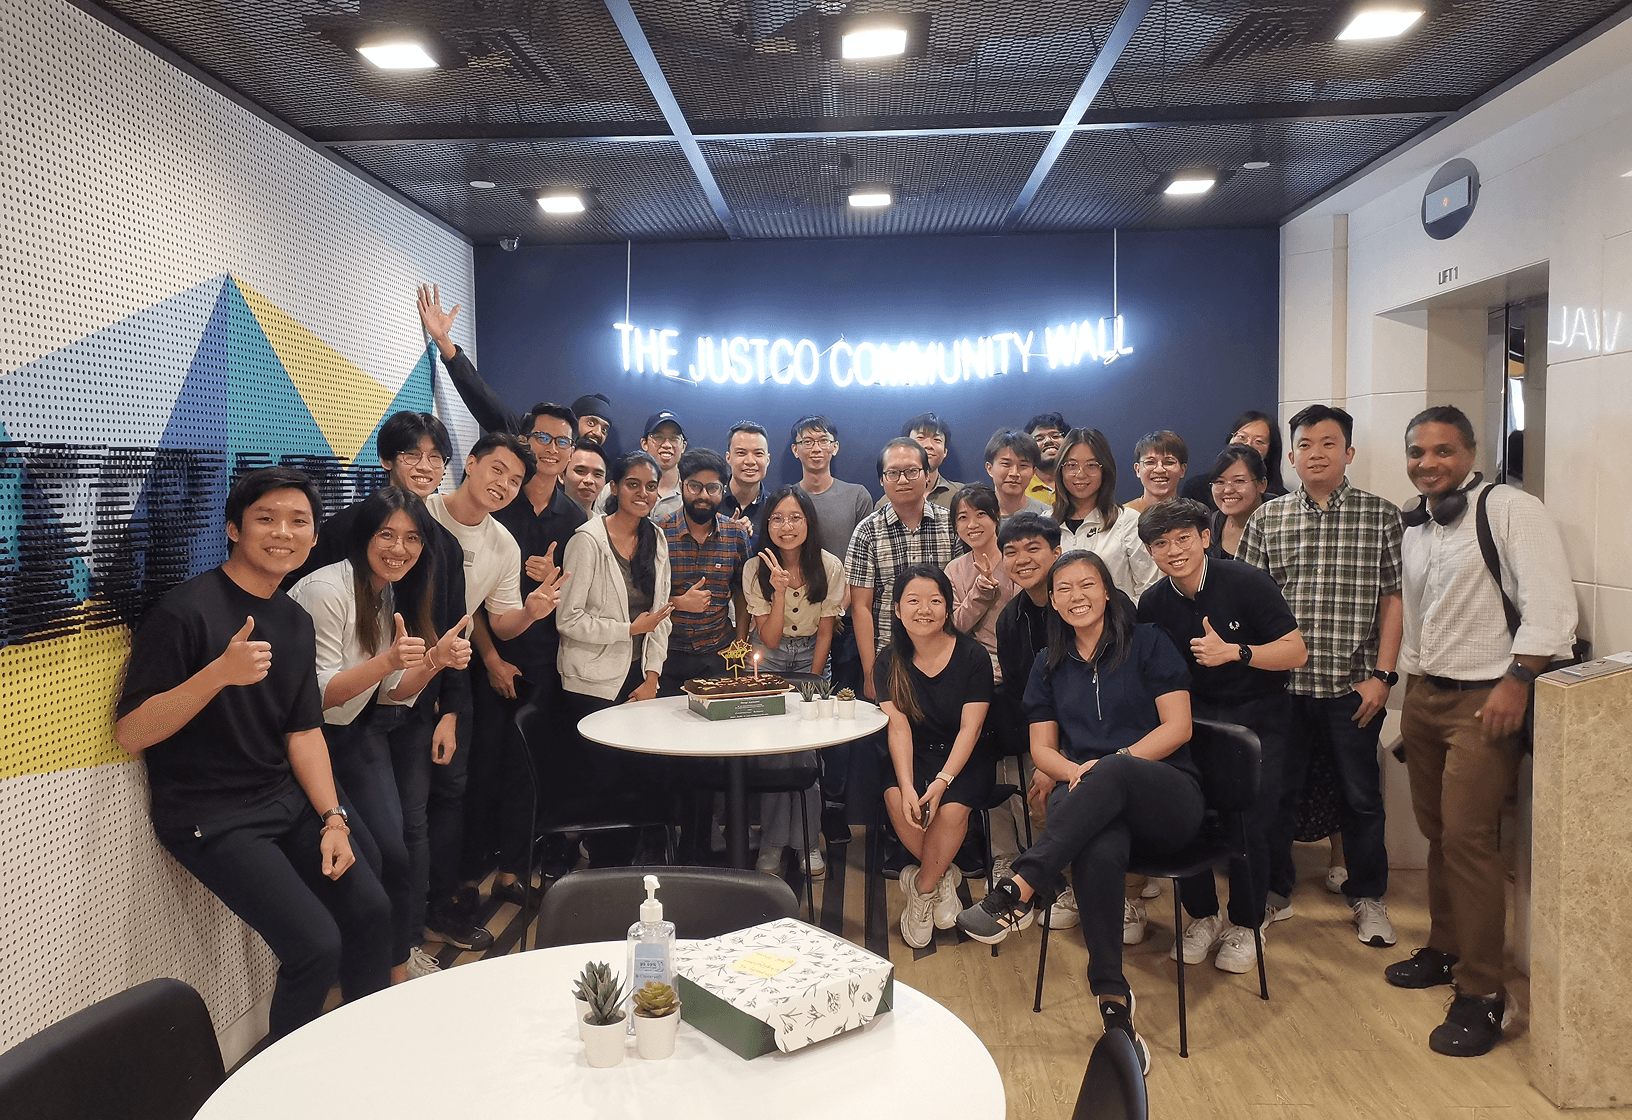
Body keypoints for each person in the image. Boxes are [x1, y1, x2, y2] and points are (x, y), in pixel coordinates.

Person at [115, 467, 391, 1041]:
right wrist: (217, 674)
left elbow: (303, 733)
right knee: (315, 947)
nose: (282, 533)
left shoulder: (293, 618)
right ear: (233, 528)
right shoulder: (184, 611)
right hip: (209, 816)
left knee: (370, 909)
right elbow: (133, 732)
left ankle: (370, 1047)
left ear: (315, 539)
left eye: (299, 522)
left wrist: (332, 818)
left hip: (281, 798)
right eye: (266, 519)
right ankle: (285, 1086)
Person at [956, 550, 1200, 1076]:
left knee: (1108, 773)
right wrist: (1075, 772)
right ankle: (1114, 1005)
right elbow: (1042, 750)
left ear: (1107, 591)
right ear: (1054, 601)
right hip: (1085, 792)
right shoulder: (1049, 664)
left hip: (1165, 793)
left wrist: (1108, 765)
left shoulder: (1149, 642)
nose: (1075, 597)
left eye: (1086, 585)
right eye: (1063, 589)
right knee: (1098, 844)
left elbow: (1177, 727)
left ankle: (1023, 884)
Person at [1389, 406, 1576, 1057]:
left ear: (1471, 451)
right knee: (1438, 832)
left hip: (1486, 699)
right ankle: (1445, 948)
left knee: (1470, 838)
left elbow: (1553, 603)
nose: (1428, 463)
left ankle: (1483, 991)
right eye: (1418, 452)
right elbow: (1420, 616)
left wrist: (1519, 680)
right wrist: (1406, 698)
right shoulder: (1416, 525)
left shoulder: (1509, 510)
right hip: (1425, 695)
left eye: (1443, 451)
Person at [282, 410, 472, 972]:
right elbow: (319, 698)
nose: (399, 548)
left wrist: (434, 663)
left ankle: (391, 965)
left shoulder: (387, 592)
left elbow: (391, 693)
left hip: (362, 729)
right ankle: (360, 970)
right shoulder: (328, 589)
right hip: (313, 739)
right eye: (387, 536)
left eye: (411, 540)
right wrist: (391, 660)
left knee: (394, 849)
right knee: (368, 855)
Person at [1237, 404, 1404, 948]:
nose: (1316, 454)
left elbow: (1392, 602)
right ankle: (1273, 894)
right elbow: (1252, 607)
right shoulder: (1269, 518)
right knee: (1276, 795)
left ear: (1348, 452)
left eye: (1328, 444)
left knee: (1360, 798)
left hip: (1351, 688)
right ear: (1290, 456)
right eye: (1305, 445)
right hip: (1281, 692)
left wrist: (1383, 675)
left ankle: (1368, 896)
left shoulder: (1382, 516)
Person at [1135, 499, 1307, 973]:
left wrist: (1237, 652)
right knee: (1187, 815)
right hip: (1192, 722)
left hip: (1257, 717)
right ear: (1150, 552)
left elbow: (1296, 652)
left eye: (1183, 538)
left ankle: (1248, 924)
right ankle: (1203, 917)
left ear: (1205, 537)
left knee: (1250, 822)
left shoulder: (1247, 581)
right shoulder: (1152, 603)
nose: (1174, 550)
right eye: (1161, 543)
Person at [423, 432, 565, 945]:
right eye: (497, 470)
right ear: (471, 464)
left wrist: (529, 610)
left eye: (515, 479)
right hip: (391, 668)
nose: (504, 484)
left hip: (451, 675)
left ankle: (441, 904)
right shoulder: (420, 515)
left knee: (451, 791)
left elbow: (500, 621)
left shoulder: (502, 543)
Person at [468, 402, 586, 904]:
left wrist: (557, 581)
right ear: (526, 438)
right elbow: (467, 594)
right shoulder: (495, 506)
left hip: (547, 663)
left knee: (528, 768)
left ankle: (514, 871)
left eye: (562, 441)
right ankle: (468, 874)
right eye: (542, 438)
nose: (551, 449)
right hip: (485, 656)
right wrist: (492, 658)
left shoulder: (576, 517)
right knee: (478, 768)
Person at [556, 452, 674, 864]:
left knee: (640, 781)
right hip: (592, 685)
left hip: (640, 681)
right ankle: (603, 878)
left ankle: (633, 875)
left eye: (651, 486)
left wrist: (654, 676)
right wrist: (628, 630)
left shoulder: (656, 539)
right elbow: (568, 620)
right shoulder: (587, 541)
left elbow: (661, 616)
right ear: (615, 488)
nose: (643, 493)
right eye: (633, 484)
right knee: (602, 785)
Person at [877, 564, 995, 948]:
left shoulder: (973, 656)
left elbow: (970, 729)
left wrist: (943, 781)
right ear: (897, 609)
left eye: (934, 600)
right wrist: (909, 784)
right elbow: (899, 728)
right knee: (898, 798)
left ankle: (922, 889)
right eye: (912, 600)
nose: (923, 609)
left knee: (951, 811)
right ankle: (943, 876)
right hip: (912, 752)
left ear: (948, 607)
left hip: (963, 755)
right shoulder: (887, 660)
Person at [794, 414, 890, 832]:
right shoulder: (786, 499)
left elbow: (863, 559)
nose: (815, 447)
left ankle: (835, 806)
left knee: (842, 714)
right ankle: (801, 807)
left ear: (835, 448)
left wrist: (843, 605)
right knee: (801, 712)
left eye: (823, 440)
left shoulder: (857, 496)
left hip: (848, 628)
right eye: (806, 441)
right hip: (798, 630)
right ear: (795, 450)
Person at [744, 485, 846, 878]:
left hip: (811, 658)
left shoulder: (829, 566)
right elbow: (767, 639)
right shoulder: (755, 568)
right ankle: (772, 844)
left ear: (809, 522)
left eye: (795, 518)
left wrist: (814, 681)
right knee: (773, 756)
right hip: (769, 657)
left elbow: (825, 632)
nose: (787, 527)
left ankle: (806, 842)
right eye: (778, 519)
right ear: (766, 524)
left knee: (806, 757)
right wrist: (780, 590)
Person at [846, 437, 964, 702]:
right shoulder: (866, 532)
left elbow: (960, 595)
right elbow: (861, 607)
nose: (903, 480)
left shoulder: (951, 524)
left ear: (927, 476)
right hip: (890, 657)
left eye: (912, 471)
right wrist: (869, 671)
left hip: (945, 654)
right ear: (881, 480)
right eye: (893, 473)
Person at [945, 485, 1024, 878]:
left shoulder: (1017, 559)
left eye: (980, 514)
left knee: (1022, 768)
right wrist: (979, 592)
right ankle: (1003, 855)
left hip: (1023, 678)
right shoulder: (955, 571)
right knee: (989, 772)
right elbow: (954, 628)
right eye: (962, 517)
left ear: (996, 518)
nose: (972, 524)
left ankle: (1037, 854)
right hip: (981, 681)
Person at [656, 448, 751, 693]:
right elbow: (643, 595)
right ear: (681, 485)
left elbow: (742, 592)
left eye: (712, 488)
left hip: (719, 653)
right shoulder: (659, 533)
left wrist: (739, 643)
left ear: (723, 490)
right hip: (666, 653)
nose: (703, 496)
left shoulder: (736, 534)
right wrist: (677, 602)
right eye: (695, 486)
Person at [1052, 427, 1160, 601]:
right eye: (1071, 465)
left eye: (1091, 465)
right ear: (1060, 470)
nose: (1081, 474)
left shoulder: (1128, 522)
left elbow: (1149, 590)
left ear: (1105, 470)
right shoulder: (1046, 524)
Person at [1181, 409, 1287, 508]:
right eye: (1241, 437)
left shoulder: (1281, 500)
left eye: (1258, 441)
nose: (1248, 445)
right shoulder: (1195, 488)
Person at [877, 413, 961, 510]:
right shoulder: (884, 504)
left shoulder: (960, 494)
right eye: (920, 438)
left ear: (945, 452)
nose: (929, 445)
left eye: (937, 439)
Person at [1205, 445, 1270, 559]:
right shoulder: (1209, 527)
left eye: (1239, 481)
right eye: (1220, 481)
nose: (1228, 490)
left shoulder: (1281, 523)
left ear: (1262, 484)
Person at [984, 429, 1052, 521]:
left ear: (1033, 472)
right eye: (1006, 464)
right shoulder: (976, 517)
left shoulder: (1047, 516)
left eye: (1023, 465)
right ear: (989, 468)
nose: (1014, 473)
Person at [721, 420, 771, 530]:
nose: (750, 461)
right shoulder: (712, 502)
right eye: (741, 453)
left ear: (767, 460)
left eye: (758, 453)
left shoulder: (776, 507)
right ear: (728, 458)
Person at [1125, 431, 1188, 514]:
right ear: (1138, 470)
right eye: (1150, 462)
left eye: (1169, 462)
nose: (1159, 470)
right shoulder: (1121, 517)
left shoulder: (1194, 516)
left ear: (1182, 470)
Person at [1024, 412, 1069, 503]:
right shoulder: (1021, 487)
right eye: (1039, 439)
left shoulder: (1080, 483)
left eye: (1055, 436)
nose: (1048, 441)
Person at [565, 438, 608, 515]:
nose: (589, 480)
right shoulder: (542, 521)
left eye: (598, 474)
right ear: (561, 475)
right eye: (580, 471)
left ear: (604, 482)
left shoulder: (606, 525)